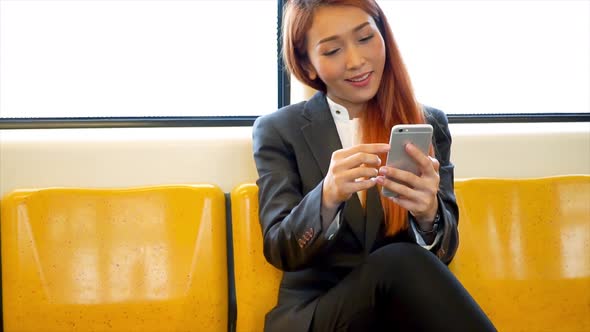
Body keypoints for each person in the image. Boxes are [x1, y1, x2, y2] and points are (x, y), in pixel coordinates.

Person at [252, 0, 496, 331]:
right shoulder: (280, 130)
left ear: (384, 35)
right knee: (397, 260)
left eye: (366, 38)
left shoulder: (427, 123)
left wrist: (428, 216)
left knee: (403, 262)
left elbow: (444, 253)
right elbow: (280, 249)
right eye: (333, 50)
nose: (356, 60)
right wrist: (326, 197)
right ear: (308, 65)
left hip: (399, 316)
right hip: (319, 316)